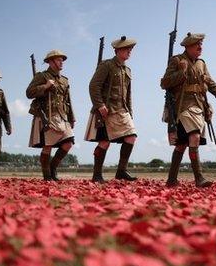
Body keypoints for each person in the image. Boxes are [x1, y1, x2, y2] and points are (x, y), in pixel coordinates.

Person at [160, 32, 216, 187]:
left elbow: (211, 85)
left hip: (198, 106)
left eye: (201, 44)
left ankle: (171, 180)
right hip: (182, 107)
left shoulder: (201, 63)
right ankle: (199, 178)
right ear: (188, 47)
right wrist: (181, 72)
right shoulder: (177, 60)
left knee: (182, 144)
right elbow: (165, 83)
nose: (200, 47)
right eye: (197, 45)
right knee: (194, 136)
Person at [85, 36, 138, 183]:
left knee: (131, 136)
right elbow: (93, 86)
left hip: (122, 110)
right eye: (127, 49)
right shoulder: (106, 65)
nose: (129, 51)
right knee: (104, 142)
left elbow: (128, 94)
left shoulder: (127, 70)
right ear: (117, 50)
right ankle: (97, 175)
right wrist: (99, 105)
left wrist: (130, 113)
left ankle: (121, 171)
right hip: (107, 110)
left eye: (130, 49)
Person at [26, 50, 76, 181]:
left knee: (68, 143)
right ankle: (47, 175)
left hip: (62, 115)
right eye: (59, 60)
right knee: (47, 146)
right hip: (47, 115)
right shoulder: (42, 76)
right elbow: (29, 93)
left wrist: (72, 117)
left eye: (62, 60)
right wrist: (45, 86)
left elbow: (68, 100)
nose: (61, 62)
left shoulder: (64, 80)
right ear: (50, 61)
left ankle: (52, 168)